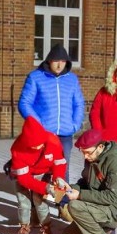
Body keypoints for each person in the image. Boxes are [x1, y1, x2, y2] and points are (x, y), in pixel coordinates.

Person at [18, 43, 85, 182]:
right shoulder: (36, 77)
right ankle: (38, 195)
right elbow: (25, 103)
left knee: (62, 166)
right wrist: (39, 124)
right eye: (56, 61)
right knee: (42, 165)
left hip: (65, 133)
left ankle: (62, 201)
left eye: (62, 61)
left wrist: (75, 124)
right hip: (44, 133)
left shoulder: (72, 79)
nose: (59, 65)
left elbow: (78, 103)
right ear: (49, 61)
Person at [60, 128, 117, 234]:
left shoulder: (116, 162)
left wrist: (80, 195)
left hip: (113, 209)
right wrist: (71, 188)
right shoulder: (91, 158)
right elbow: (85, 182)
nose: (85, 157)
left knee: (75, 206)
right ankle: (101, 232)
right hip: (96, 204)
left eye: (88, 152)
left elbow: (110, 197)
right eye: (83, 153)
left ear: (100, 147)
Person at [9, 116, 67, 234]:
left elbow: (59, 162)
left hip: (44, 172)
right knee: (23, 201)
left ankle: (46, 226)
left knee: (39, 200)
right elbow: (24, 179)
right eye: (33, 146)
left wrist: (58, 177)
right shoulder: (18, 148)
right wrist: (44, 187)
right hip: (25, 175)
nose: (37, 147)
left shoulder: (52, 141)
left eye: (40, 144)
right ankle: (24, 226)